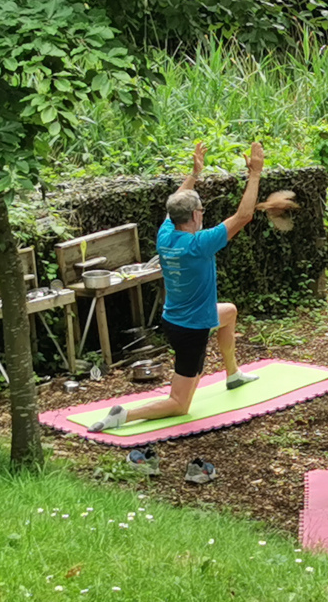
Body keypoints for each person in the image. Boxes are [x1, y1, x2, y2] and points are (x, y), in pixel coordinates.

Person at [90, 141, 264, 433]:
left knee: (229, 312)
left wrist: (194, 173)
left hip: (176, 317)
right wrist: (255, 174)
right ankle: (124, 415)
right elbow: (243, 216)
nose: (203, 213)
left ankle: (233, 373)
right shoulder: (199, 244)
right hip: (191, 329)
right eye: (201, 209)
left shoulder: (166, 234)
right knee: (180, 403)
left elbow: (176, 202)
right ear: (195, 215)